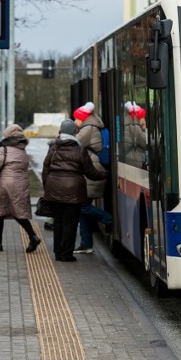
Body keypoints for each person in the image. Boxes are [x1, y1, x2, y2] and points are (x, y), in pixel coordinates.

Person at [41, 119, 107, 262]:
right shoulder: (80, 150)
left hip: (54, 191)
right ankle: (66, 254)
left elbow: (45, 171)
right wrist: (105, 174)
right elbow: (90, 173)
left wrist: (48, 187)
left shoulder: (53, 149)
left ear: (60, 131)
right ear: (74, 132)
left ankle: (58, 253)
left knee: (58, 222)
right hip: (74, 192)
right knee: (70, 223)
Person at [0, 124, 41, 253]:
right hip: (21, 184)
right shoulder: (22, 150)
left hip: (5, 185)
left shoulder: (3, 149)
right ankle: (32, 235)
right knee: (18, 212)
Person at [72, 102, 112, 254]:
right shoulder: (91, 126)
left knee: (82, 206)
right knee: (83, 208)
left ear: (82, 117)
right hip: (92, 169)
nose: (75, 120)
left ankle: (107, 218)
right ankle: (86, 244)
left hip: (92, 170)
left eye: (76, 118)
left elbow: (72, 143)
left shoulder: (88, 129)